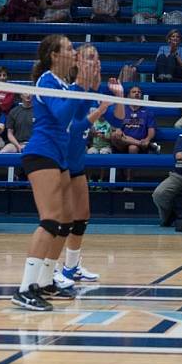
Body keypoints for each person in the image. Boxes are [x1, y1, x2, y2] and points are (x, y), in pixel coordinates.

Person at [12, 35, 86, 310]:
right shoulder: (46, 81)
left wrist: (88, 88)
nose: (75, 50)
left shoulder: (63, 83)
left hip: (60, 156)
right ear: (55, 55)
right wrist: (80, 86)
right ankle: (24, 289)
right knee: (50, 220)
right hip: (42, 153)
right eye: (70, 47)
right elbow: (62, 116)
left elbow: (77, 119)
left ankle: (44, 282)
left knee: (66, 221)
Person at [57, 43, 124, 286]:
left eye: (97, 57)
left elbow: (119, 118)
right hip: (60, 162)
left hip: (77, 163)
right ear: (76, 61)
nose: (95, 61)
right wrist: (101, 108)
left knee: (82, 216)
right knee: (61, 219)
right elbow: (74, 128)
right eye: (88, 57)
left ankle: (71, 267)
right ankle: (51, 269)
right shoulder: (69, 88)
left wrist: (118, 96)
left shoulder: (92, 91)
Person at [111, 85, 156, 155]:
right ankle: (143, 144)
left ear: (141, 96)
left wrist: (147, 139)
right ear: (128, 96)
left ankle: (140, 144)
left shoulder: (148, 111)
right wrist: (118, 129)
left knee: (132, 148)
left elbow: (151, 130)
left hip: (140, 144)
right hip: (122, 143)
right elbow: (114, 125)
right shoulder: (122, 109)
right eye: (134, 92)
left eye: (139, 92)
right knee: (114, 135)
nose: (137, 93)